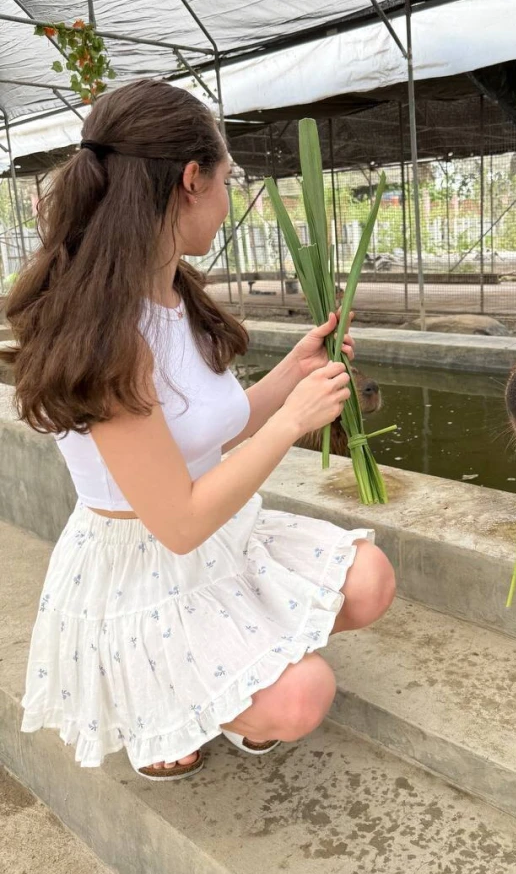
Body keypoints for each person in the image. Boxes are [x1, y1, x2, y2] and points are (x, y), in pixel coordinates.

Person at [1, 79, 396, 781]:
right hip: (142, 565)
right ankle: (168, 704)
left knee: (370, 581)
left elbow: (221, 426)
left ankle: (212, 689)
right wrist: (297, 422)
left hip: (223, 534)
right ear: (191, 179)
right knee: (305, 693)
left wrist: (290, 378)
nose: (229, 197)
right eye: (228, 179)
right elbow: (177, 522)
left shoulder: (174, 293)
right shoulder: (106, 336)